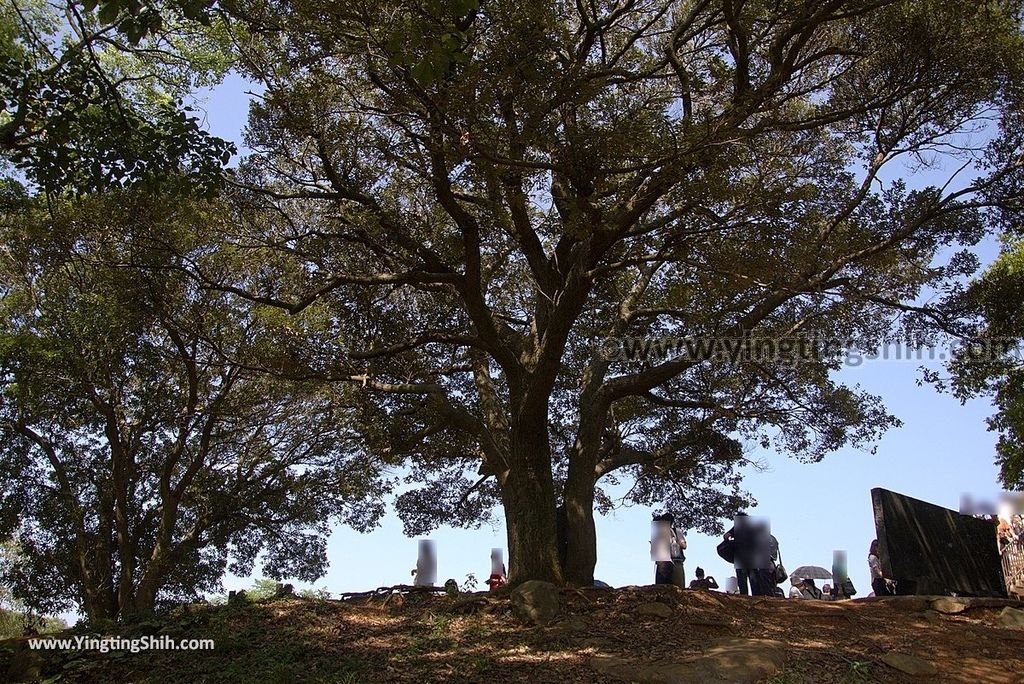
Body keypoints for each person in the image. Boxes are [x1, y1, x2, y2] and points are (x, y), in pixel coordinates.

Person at [651, 512, 687, 587]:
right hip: (666, 563)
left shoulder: (676, 532)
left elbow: (684, 545)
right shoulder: (659, 534)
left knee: (676, 589)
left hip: (674, 562)